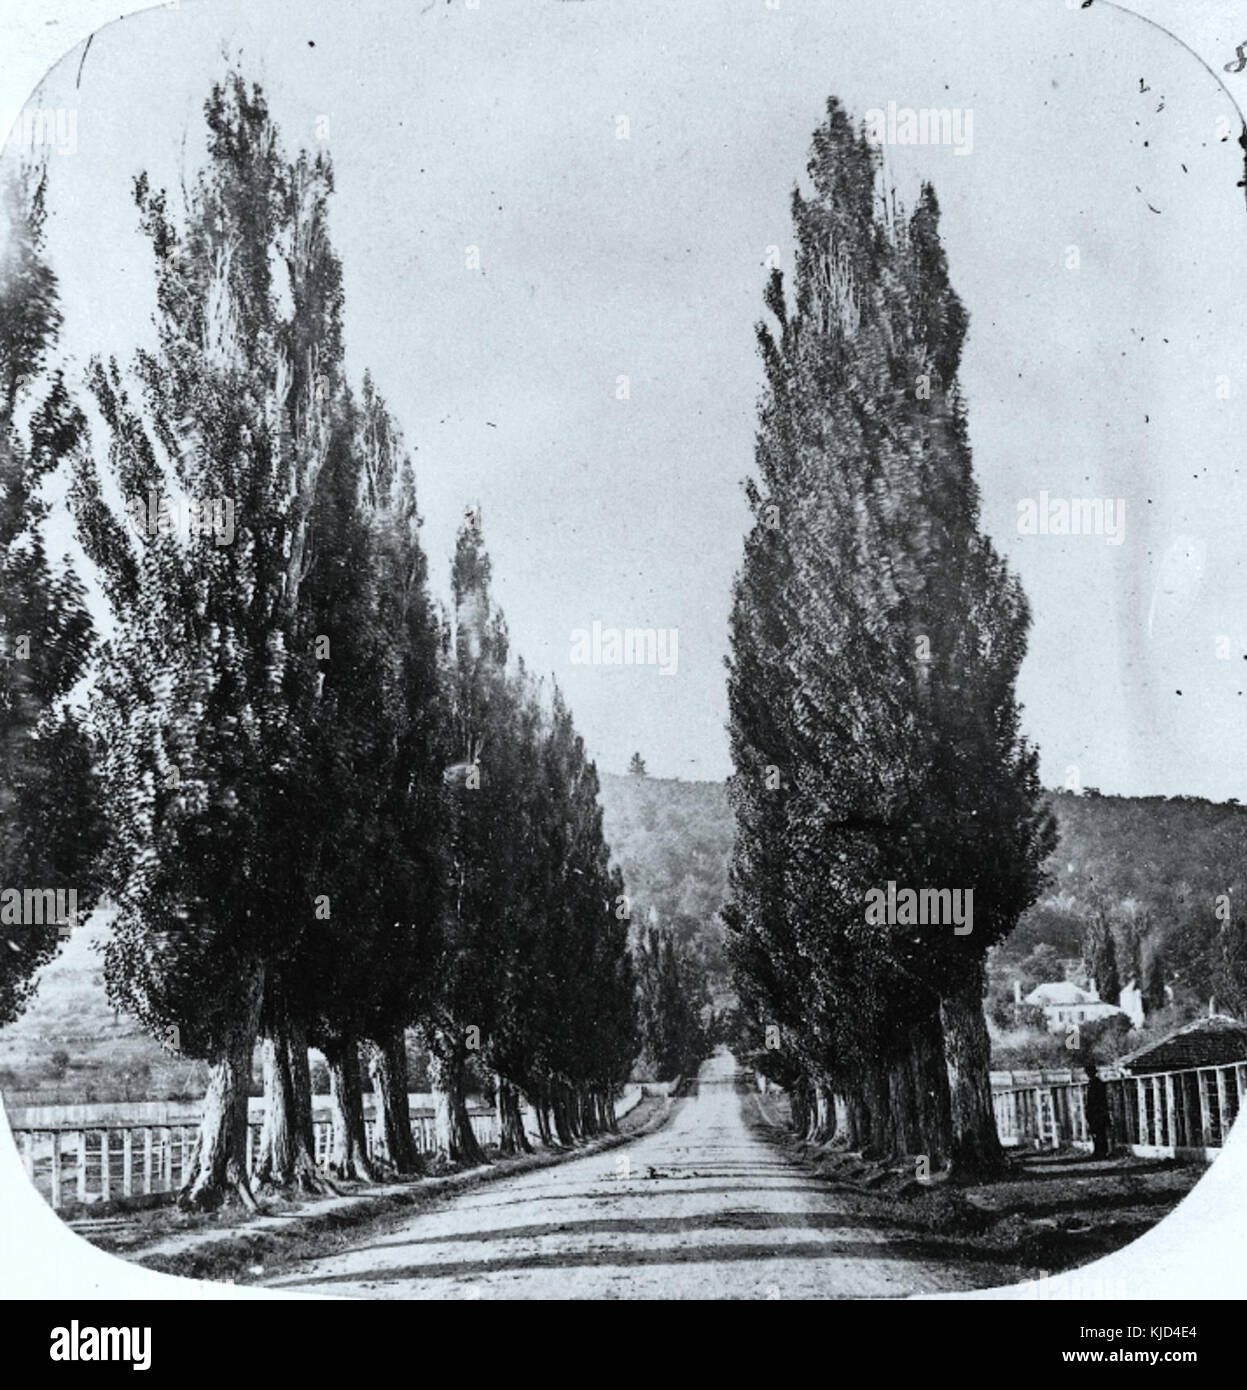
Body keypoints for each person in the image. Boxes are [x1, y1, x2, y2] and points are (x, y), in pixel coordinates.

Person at [1085, 1061, 1111, 1159]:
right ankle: (1098, 1151)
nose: (1088, 1074)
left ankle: (1102, 1152)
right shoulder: (1093, 1083)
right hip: (1095, 1111)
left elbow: (1098, 1099)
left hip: (1098, 1111)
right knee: (1096, 1132)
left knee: (1099, 1133)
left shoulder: (1097, 1083)